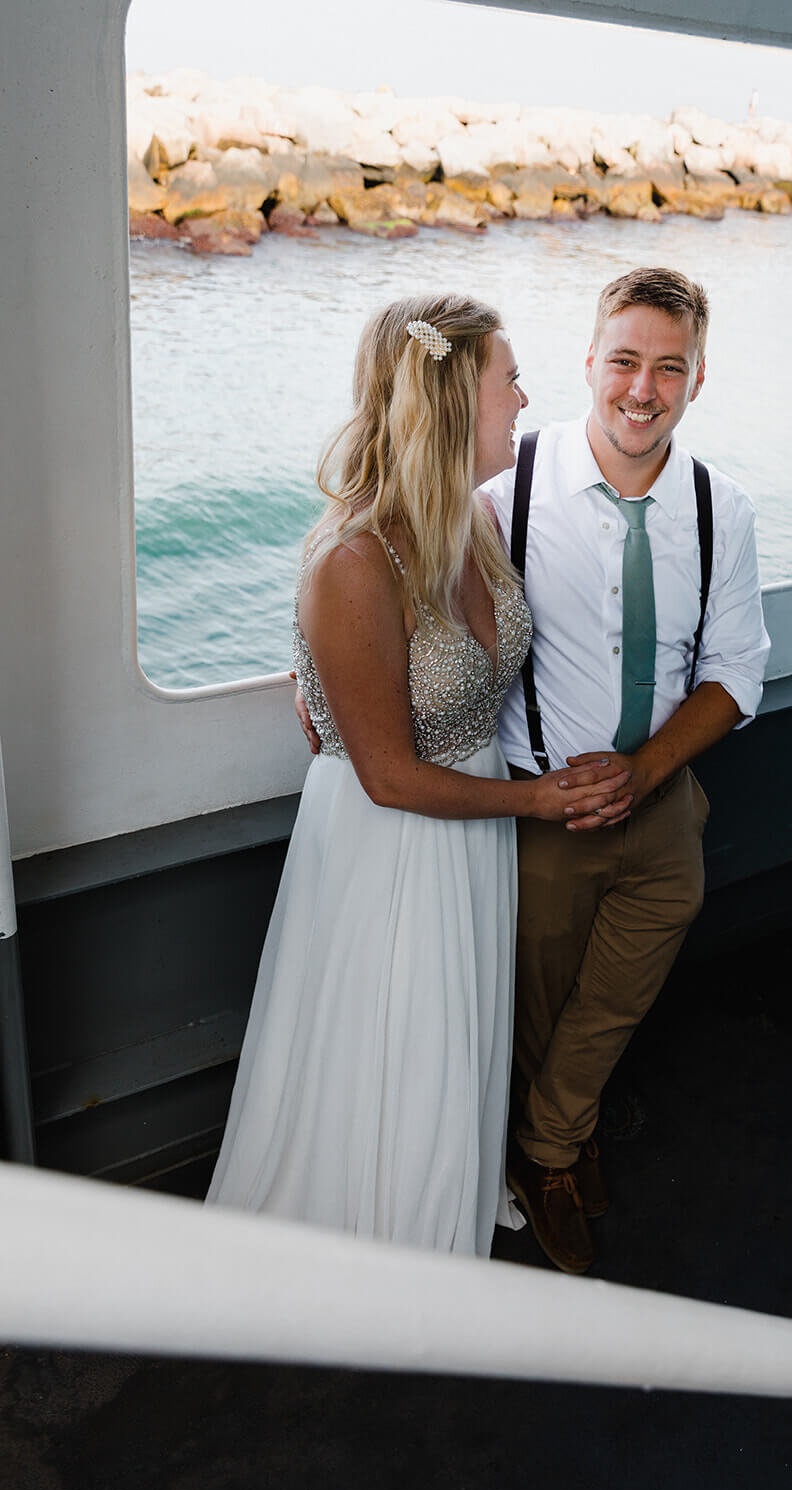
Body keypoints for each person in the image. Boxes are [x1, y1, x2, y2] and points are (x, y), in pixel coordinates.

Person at [208, 294, 630, 1257]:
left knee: (457, 1032)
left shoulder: (474, 520)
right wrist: (539, 797)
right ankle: (384, 1229)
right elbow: (388, 776)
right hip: (389, 838)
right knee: (390, 1038)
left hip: (471, 820)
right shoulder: (352, 564)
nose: (525, 399)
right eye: (509, 381)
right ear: (451, 403)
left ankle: (451, 1178)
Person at [484, 267, 771, 1274]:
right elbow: (389, 577)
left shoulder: (718, 506)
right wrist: (318, 671)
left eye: (668, 368)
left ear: (697, 379)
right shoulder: (502, 488)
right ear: (589, 361)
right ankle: (554, 1154)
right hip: (543, 815)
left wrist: (644, 774)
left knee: (617, 995)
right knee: (542, 1003)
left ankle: (546, 1146)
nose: (640, 389)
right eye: (623, 362)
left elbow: (735, 671)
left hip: (662, 808)